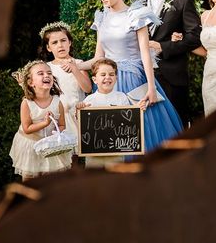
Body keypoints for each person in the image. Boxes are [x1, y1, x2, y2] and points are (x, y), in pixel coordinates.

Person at [80, 0, 183, 151]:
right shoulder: (101, 18)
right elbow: (98, 58)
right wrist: (75, 65)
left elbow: (145, 54)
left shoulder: (136, 16)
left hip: (134, 81)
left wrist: (151, 88)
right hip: (107, 81)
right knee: (111, 137)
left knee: (139, 133)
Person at [139, 0, 202, 126]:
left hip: (172, 77)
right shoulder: (138, 3)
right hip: (143, 76)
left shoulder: (183, 0)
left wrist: (163, 47)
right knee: (149, 128)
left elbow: (195, 37)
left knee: (176, 128)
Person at [9, 60, 71, 180]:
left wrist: (57, 135)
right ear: (31, 82)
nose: (46, 75)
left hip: (50, 146)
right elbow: (27, 129)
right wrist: (45, 123)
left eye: (49, 73)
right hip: (31, 144)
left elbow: (62, 124)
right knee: (30, 178)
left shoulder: (57, 102)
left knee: (50, 178)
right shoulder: (27, 103)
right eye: (41, 73)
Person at [39, 21, 92, 150]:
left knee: (81, 152)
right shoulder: (47, 68)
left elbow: (88, 88)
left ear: (70, 42)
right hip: (58, 118)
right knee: (64, 155)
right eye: (54, 43)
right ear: (48, 48)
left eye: (63, 40)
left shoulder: (79, 63)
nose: (60, 45)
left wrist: (75, 69)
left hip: (77, 115)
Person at [76, 58, 131, 168]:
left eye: (111, 74)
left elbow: (128, 122)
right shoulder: (89, 101)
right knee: (94, 180)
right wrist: (79, 112)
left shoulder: (122, 98)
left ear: (116, 78)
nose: (107, 77)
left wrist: (137, 111)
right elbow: (83, 127)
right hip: (93, 152)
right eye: (103, 74)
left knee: (116, 179)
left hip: (116, 150)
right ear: (95, 79)